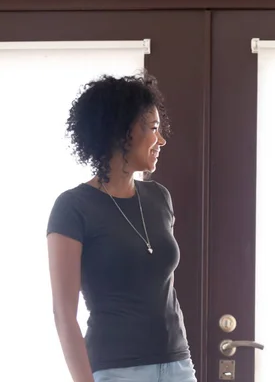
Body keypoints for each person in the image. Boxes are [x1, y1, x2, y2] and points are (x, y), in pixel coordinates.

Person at [47, 73, 196, 382]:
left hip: (178, 366)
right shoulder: (73, 207)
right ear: (122, 132)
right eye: (153, 129)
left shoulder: (159, 197)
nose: (162, 140)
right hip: (116, 370)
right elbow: (64, 315)